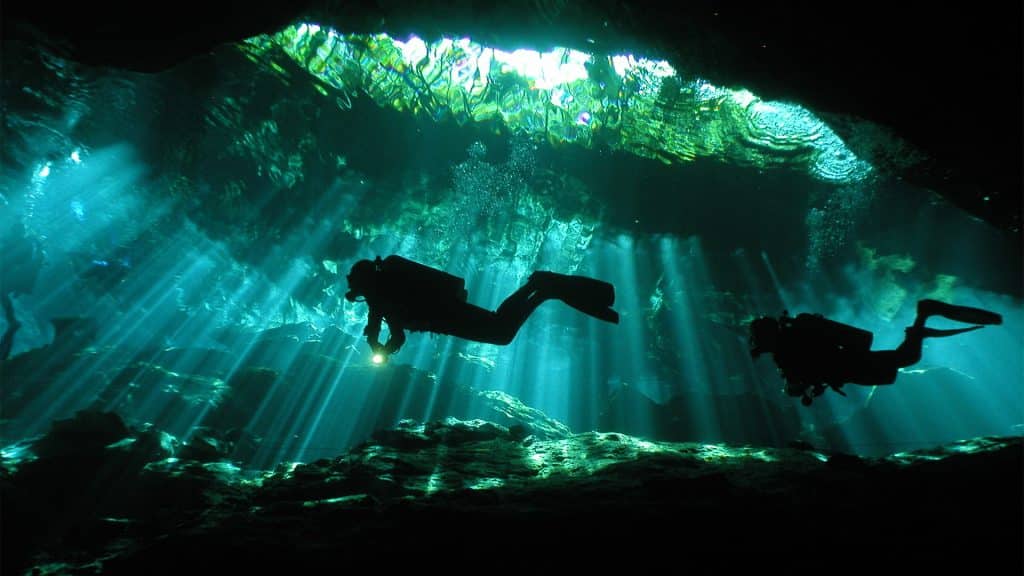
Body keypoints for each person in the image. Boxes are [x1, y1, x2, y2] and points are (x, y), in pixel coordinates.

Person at [345, 255, 618, 360]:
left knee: (501, 332)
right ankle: (540, 289)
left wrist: (378, 349)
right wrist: (379, 344)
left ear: (366, 283)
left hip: (446, 316)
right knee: (500, 328)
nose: (359, 295)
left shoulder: (380, 297)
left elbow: (392, 331)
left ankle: (539, 288)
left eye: (359, 289)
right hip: (445, 314)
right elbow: (390, 329)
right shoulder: (383, 294)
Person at [749, 299, 1002, 406]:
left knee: (906, 359)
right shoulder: (790, 345)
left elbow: (796, 383)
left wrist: (796, 386)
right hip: (851, 363)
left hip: (852, 364)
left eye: (760, 343)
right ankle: (920, 324)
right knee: (904, 359)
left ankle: (923, 316)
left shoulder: (787, 351)